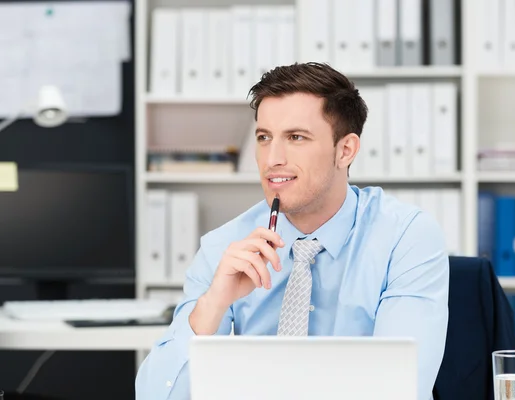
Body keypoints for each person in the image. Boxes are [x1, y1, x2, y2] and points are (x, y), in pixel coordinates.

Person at [135, 62, 449, 400]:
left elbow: (400, 389)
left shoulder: (404, 238)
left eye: (296, 137)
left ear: (345, 150)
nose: (272, 159)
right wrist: (213, 304)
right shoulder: (223, 248)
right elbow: (155, 395)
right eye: (264, 138)